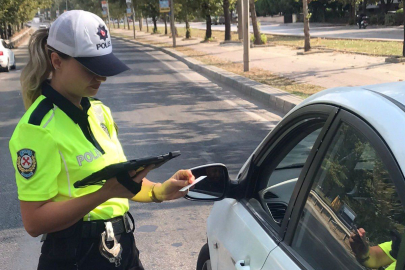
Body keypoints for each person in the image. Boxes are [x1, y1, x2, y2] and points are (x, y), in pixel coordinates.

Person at [9, 10, 194, 270]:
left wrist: (159, 191)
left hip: (122, 247)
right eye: (90, 68)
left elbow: (120, 183)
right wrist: (104, 193)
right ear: (56, 61)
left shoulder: (99, 111)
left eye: (104, 66)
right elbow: (34, 222)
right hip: (74, 256)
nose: (101, 77)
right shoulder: (37, 128)